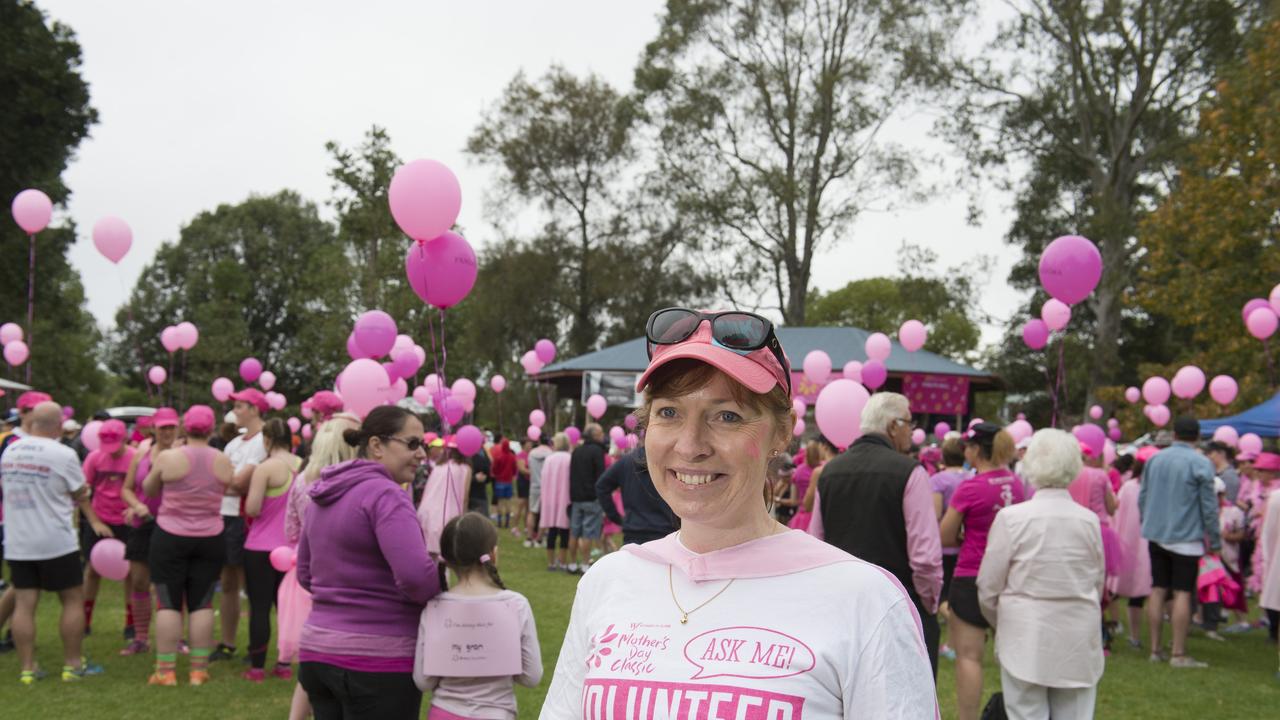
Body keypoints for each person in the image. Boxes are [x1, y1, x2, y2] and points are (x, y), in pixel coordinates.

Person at [541, 307, 937, 718]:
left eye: (727, 416)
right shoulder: (608, 581)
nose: (691, 445)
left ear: (781, 432)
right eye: (669, 412)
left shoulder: (864, 602)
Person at [297, 406, 441, 719]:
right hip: (377, 661)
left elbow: (305, 574)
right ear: (376, 445)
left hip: (317, 654)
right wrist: (439, 577)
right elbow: (417, 578)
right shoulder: (387, 495)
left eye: (424, 446)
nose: (421, 455)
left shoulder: (321, 495)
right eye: (412, 444)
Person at [807, 392, 943, 676]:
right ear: (894, 426)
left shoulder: (830, 471)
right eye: (910, 423)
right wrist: (928, 604)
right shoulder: (910, 472)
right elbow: (925, 558)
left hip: (842, 605)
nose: (912, 431)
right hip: (899, 605)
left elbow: (815, 543)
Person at [977, 428, 1104, 719]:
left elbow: (988, 586)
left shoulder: (1012, 519)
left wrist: (1003, 621)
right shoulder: (1089, 521)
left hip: (1025, 634)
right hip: (1075, 636)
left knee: (1025, 712)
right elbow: (1097, 580)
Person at [2, 401, 109, 683]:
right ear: (59, 426)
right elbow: (79, 492)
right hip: (55, 540)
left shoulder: (10, 451)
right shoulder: (62, 453)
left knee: (25, 603)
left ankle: (28, 668)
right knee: (72, 599)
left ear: (32, 422)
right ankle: (72, 665)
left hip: (18, 540)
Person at [413, 512, 542, 719]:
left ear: (448, 560)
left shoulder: (434, 609)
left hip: (444, 713)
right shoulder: (516, 605)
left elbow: (423, 681)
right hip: (496, 713)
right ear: (493, 554)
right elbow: (532, 677)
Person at [142, 405, 234, 686]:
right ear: (211, 429)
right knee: (202, 603)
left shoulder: (170, 457)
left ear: (185, 427)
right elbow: (226, 488)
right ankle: (198, 670)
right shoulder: (222, 460)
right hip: (210, 536)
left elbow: (148, 489)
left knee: (168, 603)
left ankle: (166, 671)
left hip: (171, 534)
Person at [939, 422, 1024, 720]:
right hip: (1012, 577)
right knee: (1015, 657)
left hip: (972, 575)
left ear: (976, 450)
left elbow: (945, 535)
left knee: (969, 657)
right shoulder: (1017, 483)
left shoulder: (971, 487)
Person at [282, 413, 359, 720]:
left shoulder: (302, 482)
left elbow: (290, 529)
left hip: (310, 571)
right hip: (348, 575)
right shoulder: (358, 486)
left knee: (314, 653)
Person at [1138, 415, 1219, 668]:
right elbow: (1209, 506)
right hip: (1186, 536)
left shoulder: (1155, 460)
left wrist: (1147, 521)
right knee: (1182, 591)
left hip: (1157, 533)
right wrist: (1214, 538)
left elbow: (1144, 496)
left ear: (1174, 435)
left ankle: (1154, 649)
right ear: (1196, 437)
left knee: (1158, 588)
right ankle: (1178, 652)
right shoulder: (1200, 463)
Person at [118, 407, 180, 656]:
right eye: (162, 427)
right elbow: (126, 488)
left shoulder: (183, 454)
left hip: (175, 524)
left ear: (178, 428)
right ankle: (141, 637)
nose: (166, 431)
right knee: (140, 581)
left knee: (172, 584)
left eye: (171, 427)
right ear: (154, 428)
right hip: (143, 524)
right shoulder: (141, 453)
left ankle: (177, 637)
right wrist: (136, 505)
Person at [212, 387, 268, 661]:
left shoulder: (263, 440)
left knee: (252, 583)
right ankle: (227, 644)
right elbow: (222, 480)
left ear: (255, 409)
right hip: (226, 515)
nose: (235, 411)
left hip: (247, 518)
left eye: (240, 406)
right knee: (228, 580)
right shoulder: (234, 443)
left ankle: (256, 648)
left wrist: (228, 481)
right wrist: (229, 482)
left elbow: (238, 482)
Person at [242, 417, 299, 681]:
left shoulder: (265, 468)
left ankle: (256, 667)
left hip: (260, 547)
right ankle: (285, 664)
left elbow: (252, 507)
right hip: (293, 550)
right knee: (287, 609)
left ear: (266, 440)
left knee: (260, 608)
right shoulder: (303, 466)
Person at [80, 418, 136, 639]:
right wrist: (94, 522)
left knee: (130, 572)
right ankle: (84, 620)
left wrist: (135, 509)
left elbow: (141, 490)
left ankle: (131, 623)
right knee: (92, 570)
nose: (110, 452)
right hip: (100, 519)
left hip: (128, 522)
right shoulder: (95, 457)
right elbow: (82, 494)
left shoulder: (134, 458)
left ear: (125, 439)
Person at [595, 442, 677, 546]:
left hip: (642, 532)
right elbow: (602, 486)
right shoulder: (669, 461)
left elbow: (602, 486)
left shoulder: (627, 461)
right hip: (657, 531)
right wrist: (616, 517)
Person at [1109, 455, 1151, 645]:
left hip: (1132, 541)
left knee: (1137, 590)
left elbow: (1118, 514)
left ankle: (1134, 635)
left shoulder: (1130, 487)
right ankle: (1147, 638)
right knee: (1151, 591)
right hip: (1146, 542)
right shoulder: (1139, 488)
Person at [929, 435, 968, 618]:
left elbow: (935, 514)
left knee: (944, 595)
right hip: (967, 543)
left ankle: (957, 625)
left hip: (943, 545)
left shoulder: (938, 480)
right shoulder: (973, 477)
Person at [417, 440, 473, 557]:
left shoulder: (438, 467)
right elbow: (465, 496)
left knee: (427, 553)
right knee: (446, 555)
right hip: (447, 514)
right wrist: (463, 516)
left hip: (426, 511)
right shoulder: (464, 469)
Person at [566, 423, 607, 574]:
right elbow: (601, 476)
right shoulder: (597, 451)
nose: (603, 436)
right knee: (588, 532)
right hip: (591, 498)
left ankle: (571, 563)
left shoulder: (576, 451)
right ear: (595, 435)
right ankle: (584, 563)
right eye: (601, 433)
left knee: (574, 531)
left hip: (576, 497)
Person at [538, 434, 572, 571]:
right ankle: (562, 561)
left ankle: (551, 562)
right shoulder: (570, 459)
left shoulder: (549, 459)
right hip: (565, 498)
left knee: (552, 531)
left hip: (550, 499)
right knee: (564, 531)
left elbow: (544, 479)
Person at [794, 435, 837, 532]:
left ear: (824, 446)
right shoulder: (845, 467)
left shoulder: (817, 471)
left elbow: (807, 504)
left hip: (810, 518)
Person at [523, 435, 552, 547]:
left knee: (532, 512)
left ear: (539, 441)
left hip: (534, 485)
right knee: (544, 514)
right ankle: (539, 539)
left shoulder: (532, 453)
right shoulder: (551, 453)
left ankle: (529, 538)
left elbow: (529, 467)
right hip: (547, 487)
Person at [489, 436, 516, 528]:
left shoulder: (499, 457)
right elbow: (514, 469)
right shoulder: (512, 457)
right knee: (508, 502)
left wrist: (496, 474)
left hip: (499, 481)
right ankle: (507, 522)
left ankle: (500, 522)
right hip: (508, 482)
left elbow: (494, 469)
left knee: (500, 502)